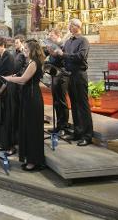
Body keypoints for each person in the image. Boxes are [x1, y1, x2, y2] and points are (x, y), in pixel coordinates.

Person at [5, 39, 46, 172]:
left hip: (32, 98)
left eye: (27, 49)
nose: (24, 51)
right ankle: (31, 158)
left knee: (32, 129)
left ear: (32, 50)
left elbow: (23, 80)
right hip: (29, 96)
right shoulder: (31, 62)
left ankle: (34, 161)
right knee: (27, 128)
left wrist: (8, 78)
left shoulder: (34, 63)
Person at [49, 18, 92, 146]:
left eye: (70, 25)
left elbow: (80, 57)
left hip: (79, 75)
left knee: (83, 106)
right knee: (74, 104)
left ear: (77, 26)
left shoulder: (83, 41)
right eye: (69, 25)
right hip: (69, 75)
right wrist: (55, 54)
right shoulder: (68, 42)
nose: (68, 27)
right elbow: (64, 58)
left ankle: (87, 135)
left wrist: (63, 54)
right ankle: (77, 132)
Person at [0, 37, 17, 154]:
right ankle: (3, 143)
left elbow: (10, 76)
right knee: (0, 118)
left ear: (2, 45)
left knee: (8, 118)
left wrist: (0, 91)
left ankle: (10, 146)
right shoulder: (0, 58)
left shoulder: (9, 57)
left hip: (7, 91)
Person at [45, 28, 69, 133]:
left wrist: (55, 54)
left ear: (58, 34)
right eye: (49, 36)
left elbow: (64, 60)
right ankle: (58, 126)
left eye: (51, 35)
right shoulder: (52, 46)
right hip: (54, 75)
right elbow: (51, 60)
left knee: (62, 101)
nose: (50, 37)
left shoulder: (63, 45)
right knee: (56, 102)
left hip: (62, 75)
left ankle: (64, 126)